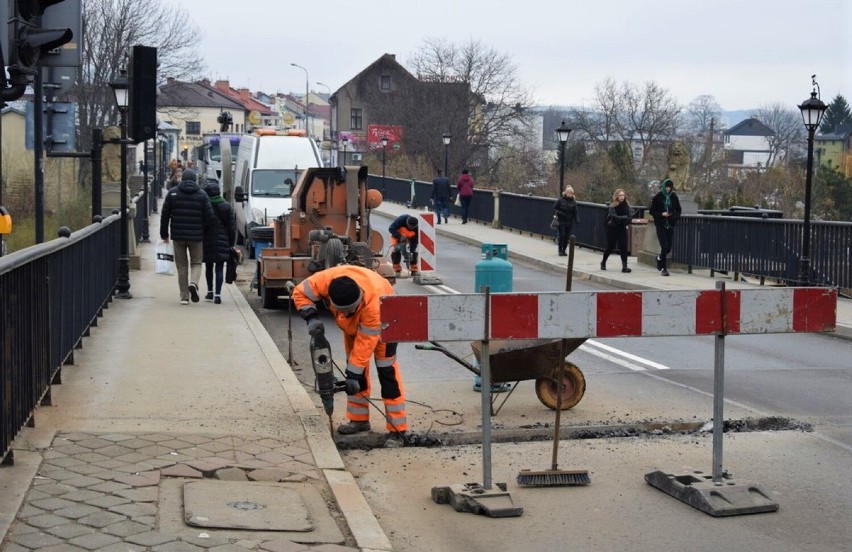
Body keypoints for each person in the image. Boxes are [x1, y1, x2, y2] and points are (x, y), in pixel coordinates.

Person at [292, 265, 409, 448]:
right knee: (354, 371)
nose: (345, 314)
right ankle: (359, 420)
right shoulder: (326, 280)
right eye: (341, 311)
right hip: (354, 328)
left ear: (359, 300)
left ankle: (398, 429)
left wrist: (353, 375)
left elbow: (364, 347)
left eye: (350, 310)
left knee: (387, 374)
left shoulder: (373, 306)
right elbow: (300, 292)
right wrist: (311, 317)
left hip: (386, 321)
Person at [160, 168, 215, 305]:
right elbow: (210, 216)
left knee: (182, 266)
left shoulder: (173, 193)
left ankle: (184, 297)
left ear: (182, 179)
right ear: (195, 180)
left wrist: (164, 234)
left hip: (178, 236)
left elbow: (165, 215)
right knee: (196, 262)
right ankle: (194, 283)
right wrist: (203, 229)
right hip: (196, 236)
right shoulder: (202, 195)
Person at [202, 183, 236, 303]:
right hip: (223, 239)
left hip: (207, 238)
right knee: (220, 268)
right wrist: (231, 242)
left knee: (208, 266)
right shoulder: (226, 206)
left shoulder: (205, 206)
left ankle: (210, 291)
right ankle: (218, 295)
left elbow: (202, 223)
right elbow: (231, 227)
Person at [649, 178, 682, 277]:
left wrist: (674, 217)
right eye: (666, 187)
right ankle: (664, 268)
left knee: (668, 248)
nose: (668, 189)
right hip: (661, 225)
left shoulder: (674, 196)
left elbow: (678, 209)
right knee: (664, 246)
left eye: (670, 187)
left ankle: (659, 258)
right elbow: (652, 211)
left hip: (670, 224)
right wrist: (661, 214)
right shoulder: (657, 197)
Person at [601, 188, 633, 273]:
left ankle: (624, 266)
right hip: (612, 229)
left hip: (622, 228)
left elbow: (630, 217)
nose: (622, 197)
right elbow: (614, 217)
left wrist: (624, 219)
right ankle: (603, 262)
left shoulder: (627, 206)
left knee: (624, 247)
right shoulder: (612, 206)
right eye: (620, 195)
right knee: (610, 247)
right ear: (616, 196)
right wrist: (624, 218)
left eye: (623, 195)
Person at [552, 185, 580, 256]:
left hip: (569, 221)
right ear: (566, 193)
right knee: (562, 235)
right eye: (569, 193)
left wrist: (577, 220)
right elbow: (554, 208)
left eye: (571, 194)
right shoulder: (560, 200)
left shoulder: (573, 202)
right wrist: (559, 213)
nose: (570, 195)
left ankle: (564, 250)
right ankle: (560, 250)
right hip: (561, 220)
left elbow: (575, 212)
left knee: (567, 236)